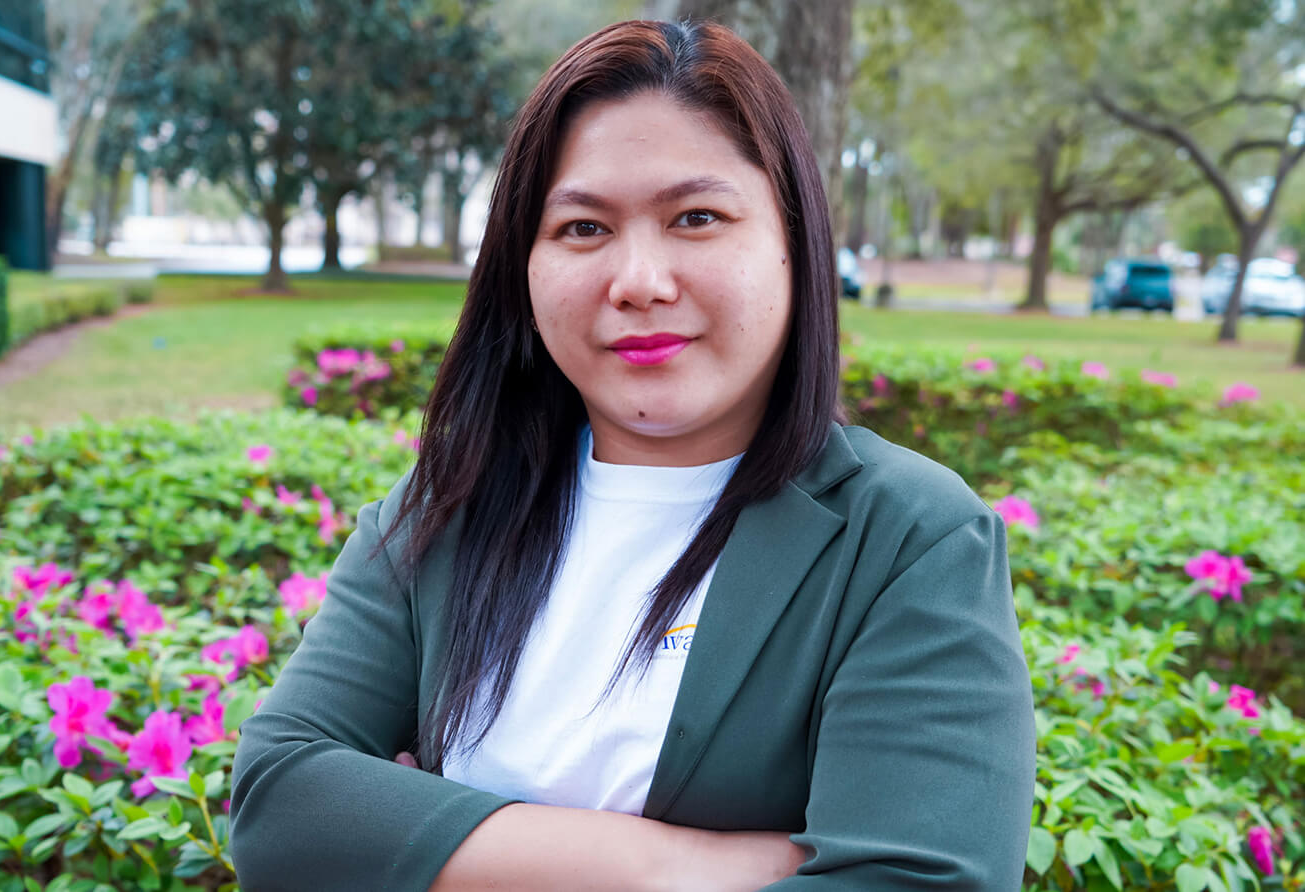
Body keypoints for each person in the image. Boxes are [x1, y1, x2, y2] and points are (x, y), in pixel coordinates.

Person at [228, 18, 1036, 892]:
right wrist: (676, 866)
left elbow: (920, 882)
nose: (639, 281)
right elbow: (281, 806)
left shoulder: (905, 540)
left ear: (792, 244)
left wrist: (431, 849)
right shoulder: (447, 507)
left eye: (697, 217)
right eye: (582, 228)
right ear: (522, 265)